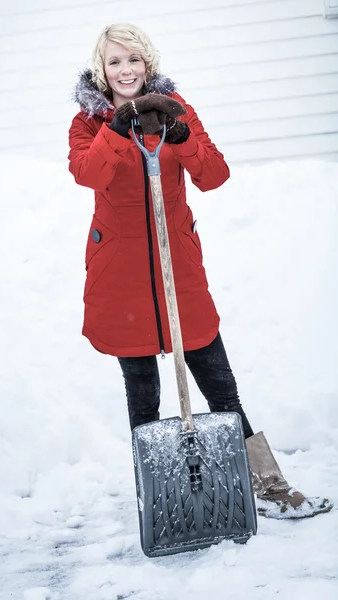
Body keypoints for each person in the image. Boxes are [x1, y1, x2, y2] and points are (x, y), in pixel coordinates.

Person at [68, 23, 332, 519]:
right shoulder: (87, 122)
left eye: (134, 59)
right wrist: (117, 129)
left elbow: (214, 175)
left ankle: (269, 487)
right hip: (118, 279)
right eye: (114, 61)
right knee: (142, 395)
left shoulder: (175, 109)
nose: (125, 70)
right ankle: (163, 500)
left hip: (179, 269)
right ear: (101, 69)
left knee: (219, 382)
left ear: (148, 63)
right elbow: (89, 173)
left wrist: (184, 137)